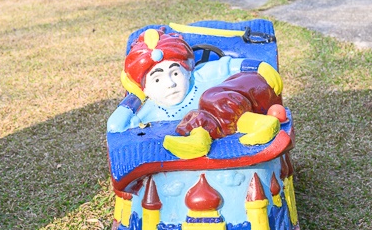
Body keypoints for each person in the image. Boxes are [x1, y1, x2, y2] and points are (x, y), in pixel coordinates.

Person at [107, 28, 285, 159]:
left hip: (247, 100)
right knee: (197, 117)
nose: (170, 84)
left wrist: (259, 66)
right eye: (157, 80)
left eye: (175, 73)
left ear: (188, 71)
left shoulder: (200, 78)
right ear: (145, 88)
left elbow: (228, 66)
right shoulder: (151, 110)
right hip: (219, 122)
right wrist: (135, 96)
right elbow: (115, 126)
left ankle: (261, 125)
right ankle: (199, 138)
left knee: (211, 98)